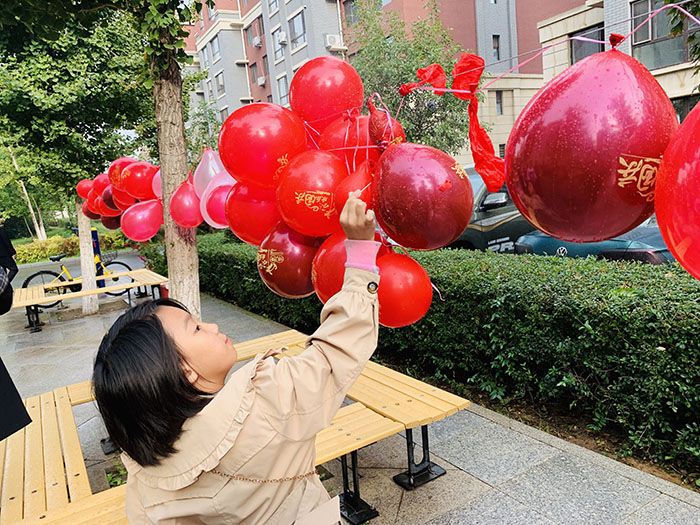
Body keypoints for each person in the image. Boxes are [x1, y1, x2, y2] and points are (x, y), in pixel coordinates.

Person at [93, 192, 381, 524]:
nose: (213, 326)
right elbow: (337, 351)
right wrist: (360, 252)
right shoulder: (268, 402)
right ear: (184, 371)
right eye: (196, 329)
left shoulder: (145, 470)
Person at [0, 217, 18, 283]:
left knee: (3, 273)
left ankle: (6, 290)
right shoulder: (1, 229)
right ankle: (5, 286)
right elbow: (7, 242)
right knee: (14, 269)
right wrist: (13, 252)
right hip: (4, 255)